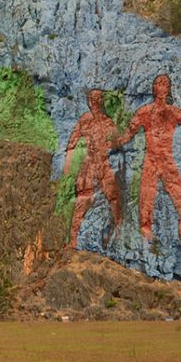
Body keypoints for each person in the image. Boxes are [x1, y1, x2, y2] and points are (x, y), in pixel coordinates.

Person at [112, 75, 181, 257]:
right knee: (146, 201)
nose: (161, 86)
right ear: (153, 88)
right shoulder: (145, 111)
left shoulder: (174, 112)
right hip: (151, 160)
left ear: (169, 88)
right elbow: (128, 134)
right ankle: (145, 240)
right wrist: (112, 144)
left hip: (167, 162)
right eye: (157, 83)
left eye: (164, 84)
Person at [63, 89, 122, 249]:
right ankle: (73, 241)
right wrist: (67, 167)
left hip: (104, 164)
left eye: (98, 98)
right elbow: (72, 142)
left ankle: (119, 234)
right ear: (89, 101)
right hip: (89, 166)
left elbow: (117, 141)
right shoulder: (85, 120)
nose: (94, 101)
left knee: (114, 198)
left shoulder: (108, 122)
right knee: (82, 200)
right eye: (92, 98)